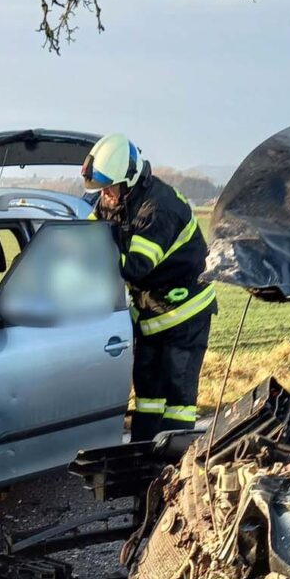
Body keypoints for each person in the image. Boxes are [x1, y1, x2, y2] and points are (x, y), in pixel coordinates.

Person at [82, 134, 215, 442]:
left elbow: (134, 266)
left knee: (176, 398)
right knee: (147, 395)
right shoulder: (114, 198)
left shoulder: (159, 208)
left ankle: (174, 469)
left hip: (184, 315)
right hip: (150, 314)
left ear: (130, 180)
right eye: (103, 190)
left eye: (111, 188)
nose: (107, 195)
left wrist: (95, 253)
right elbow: (87, 236)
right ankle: (143, 457)